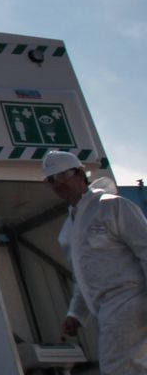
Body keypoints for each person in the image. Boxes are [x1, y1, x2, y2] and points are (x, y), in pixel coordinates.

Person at [42, 150, 147, 374]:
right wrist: (76, 314)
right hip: (107, 309)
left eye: (63, 175)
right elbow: (83, 276)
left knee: (119, 369)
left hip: (130, 299)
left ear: (81, 174)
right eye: (51, 180)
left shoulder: (111, 206)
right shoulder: (69, 229)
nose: (57, 183)